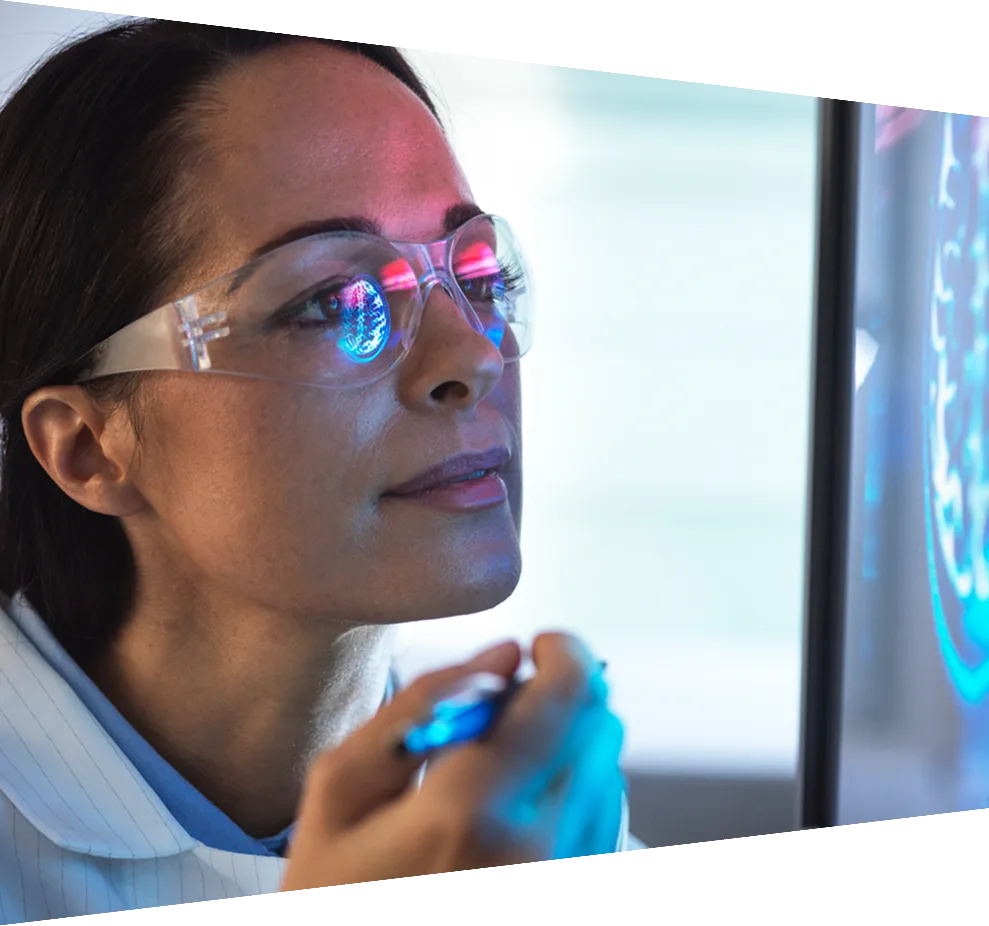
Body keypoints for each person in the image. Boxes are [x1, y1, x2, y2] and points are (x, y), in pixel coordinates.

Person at [0, 17, 644, 920]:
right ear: (88, 447)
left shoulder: (524, 817)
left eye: (477, 273)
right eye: (336, 302)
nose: (475, 357)